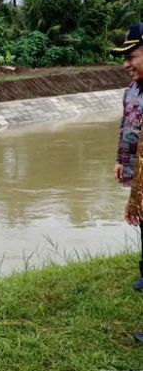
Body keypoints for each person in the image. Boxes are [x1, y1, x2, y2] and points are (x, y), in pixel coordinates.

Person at [113, 23, 143, 292]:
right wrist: (121, 160)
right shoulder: (132, 90)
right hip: (138, 170)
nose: (126, 65)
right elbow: (126, 125)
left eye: (131, 56)